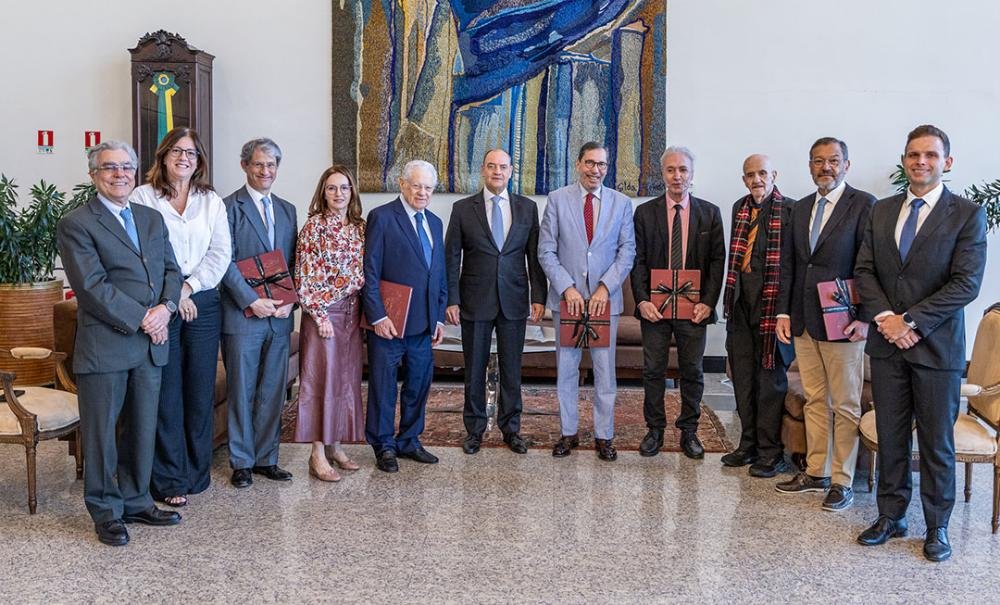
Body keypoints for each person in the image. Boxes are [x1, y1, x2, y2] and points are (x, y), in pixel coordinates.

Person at [854, 125, 987, 562]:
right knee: (892, 437)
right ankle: (891, 516)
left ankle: (937, 527)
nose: (921, 161)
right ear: (904, 160)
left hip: (936, 350)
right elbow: (865, 271)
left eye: (930, 155)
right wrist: (886, 320)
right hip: (887, 347)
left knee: (935, 444)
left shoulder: (966, 214)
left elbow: (965, 284)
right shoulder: (881, 210)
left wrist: (909, 321)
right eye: (913, 154)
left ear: (947, 162)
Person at [56, 140, 182, 546]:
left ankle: (136, 500)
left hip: (149, 346)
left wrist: (166, 308)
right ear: (94, 175)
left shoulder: (150, 217)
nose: (120, 174)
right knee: (101, 435)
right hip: (106, 346)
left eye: (127, 167)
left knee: (142, 430)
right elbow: (92, 287)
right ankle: (106, 511)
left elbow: (171, 270)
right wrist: (145, 318)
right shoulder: (77, 223)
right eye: (110, 167)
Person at [130, 127, 231, 508]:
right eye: (176, 151)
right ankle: (169, 478)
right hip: (159, 302)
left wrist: (189, 288)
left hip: (201, 300)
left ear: (199, 159)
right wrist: (173, 295)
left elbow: (220, 253)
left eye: (190, 152)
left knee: (199, 389)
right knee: (167, 391)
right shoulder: (143, 197)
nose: (183, 158)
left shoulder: (210, 201)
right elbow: (143, 253)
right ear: (163, 155)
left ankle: (196, 472)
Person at [774, 137, 875, 511]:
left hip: (844, 323)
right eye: (818, 161)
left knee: (845, 404)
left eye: (833, 160)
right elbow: (790, 264)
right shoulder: (800, 208)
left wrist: (865, 318)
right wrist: (784, 313)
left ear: (846, 165)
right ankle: (816, 471)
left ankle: (842, 480)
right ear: (810, 166)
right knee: (815, 398)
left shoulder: (864, 205)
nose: (825, 167)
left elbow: (870, 265)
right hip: (804, 320)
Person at [538, 141, 636, 461]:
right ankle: (568, 432)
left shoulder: (622, 203)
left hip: (603, 302)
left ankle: (604, 435)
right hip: (568, 301)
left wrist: (605, 288)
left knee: (604, 372)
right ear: (578, 164)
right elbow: (546, 250)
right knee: (567, 369)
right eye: (590, 163)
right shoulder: (557, 199)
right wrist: (567, 287)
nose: (596, 170)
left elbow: (627, 252)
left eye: (602, 164)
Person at [444, 149, 546, 455]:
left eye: (502, 167)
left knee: (512, 369)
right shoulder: (463, 209)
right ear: (483, 170)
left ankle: (511, 429)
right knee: (474, 368)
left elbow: (534, 258)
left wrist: (538, 297)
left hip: (514, 299)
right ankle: (474, 429)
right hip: (474, 300)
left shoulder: (527, 208)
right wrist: (451, 299)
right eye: (491, 166)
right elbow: (451, 258)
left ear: (511, 171)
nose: (497, 172)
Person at [630, 146, 725, 459]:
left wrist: (708, 302)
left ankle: (689, 431)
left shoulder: (710, 213)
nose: (677, 176)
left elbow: (717, 262)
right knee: (653, 370)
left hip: (693, 308)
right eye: (670, 170)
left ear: (691, 174)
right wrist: (642, 301)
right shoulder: (645, 213)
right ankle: (655, 430)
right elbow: (637, 260)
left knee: (692, 371)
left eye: (683, 169)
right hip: (654, 309)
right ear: (662, 174)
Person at [219, 138, 298, 488]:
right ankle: (241, 462)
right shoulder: (226, 208)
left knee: (272, 390)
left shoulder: (287, 209)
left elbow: (294, 261)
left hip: (280, 317)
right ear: (245, 166)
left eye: (271, 165)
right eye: (258, 164)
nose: (265, 171)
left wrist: (292, 300)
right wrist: (251, 300)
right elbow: (223, 261)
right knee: (242, 389)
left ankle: (267, 458)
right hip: (242, 316)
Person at [362, 160, 448, 473]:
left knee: (418, 385)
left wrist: (439, 318)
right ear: (402, 184)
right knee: (384, 387)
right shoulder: (382, 217)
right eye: (417, 185)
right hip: (389, 323)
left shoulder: (435, 222)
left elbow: (438, 273)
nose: (422, 192)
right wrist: (377, 316)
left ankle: (410, 440)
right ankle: (383, 444)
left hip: (424, 324)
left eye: (428, 187)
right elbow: (370, 271)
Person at [721, 154, 795, 477]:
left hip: (772, 310)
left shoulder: (790, 210)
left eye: (762, 173)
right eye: (750, 175)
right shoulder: (739, 208)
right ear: (744, 180)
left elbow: (791, 266)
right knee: (743, 379)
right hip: (741, 304)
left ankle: (770, 452)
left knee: (770, 382)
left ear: (774, 174)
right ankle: (747, 444)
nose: (757, 180)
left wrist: (785, 312)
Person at [293, 166, 365, 482]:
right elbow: (304, 275)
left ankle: (336, 445)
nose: (338, 194)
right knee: (321, 381)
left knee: (345, 380)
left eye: (344, 187)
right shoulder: (314, 227)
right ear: (323, 192)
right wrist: (319, 315)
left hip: (353, 313)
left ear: (352, 192)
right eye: (332, 188)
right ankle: (317, 453)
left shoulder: (360, 227)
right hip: (324, 315)